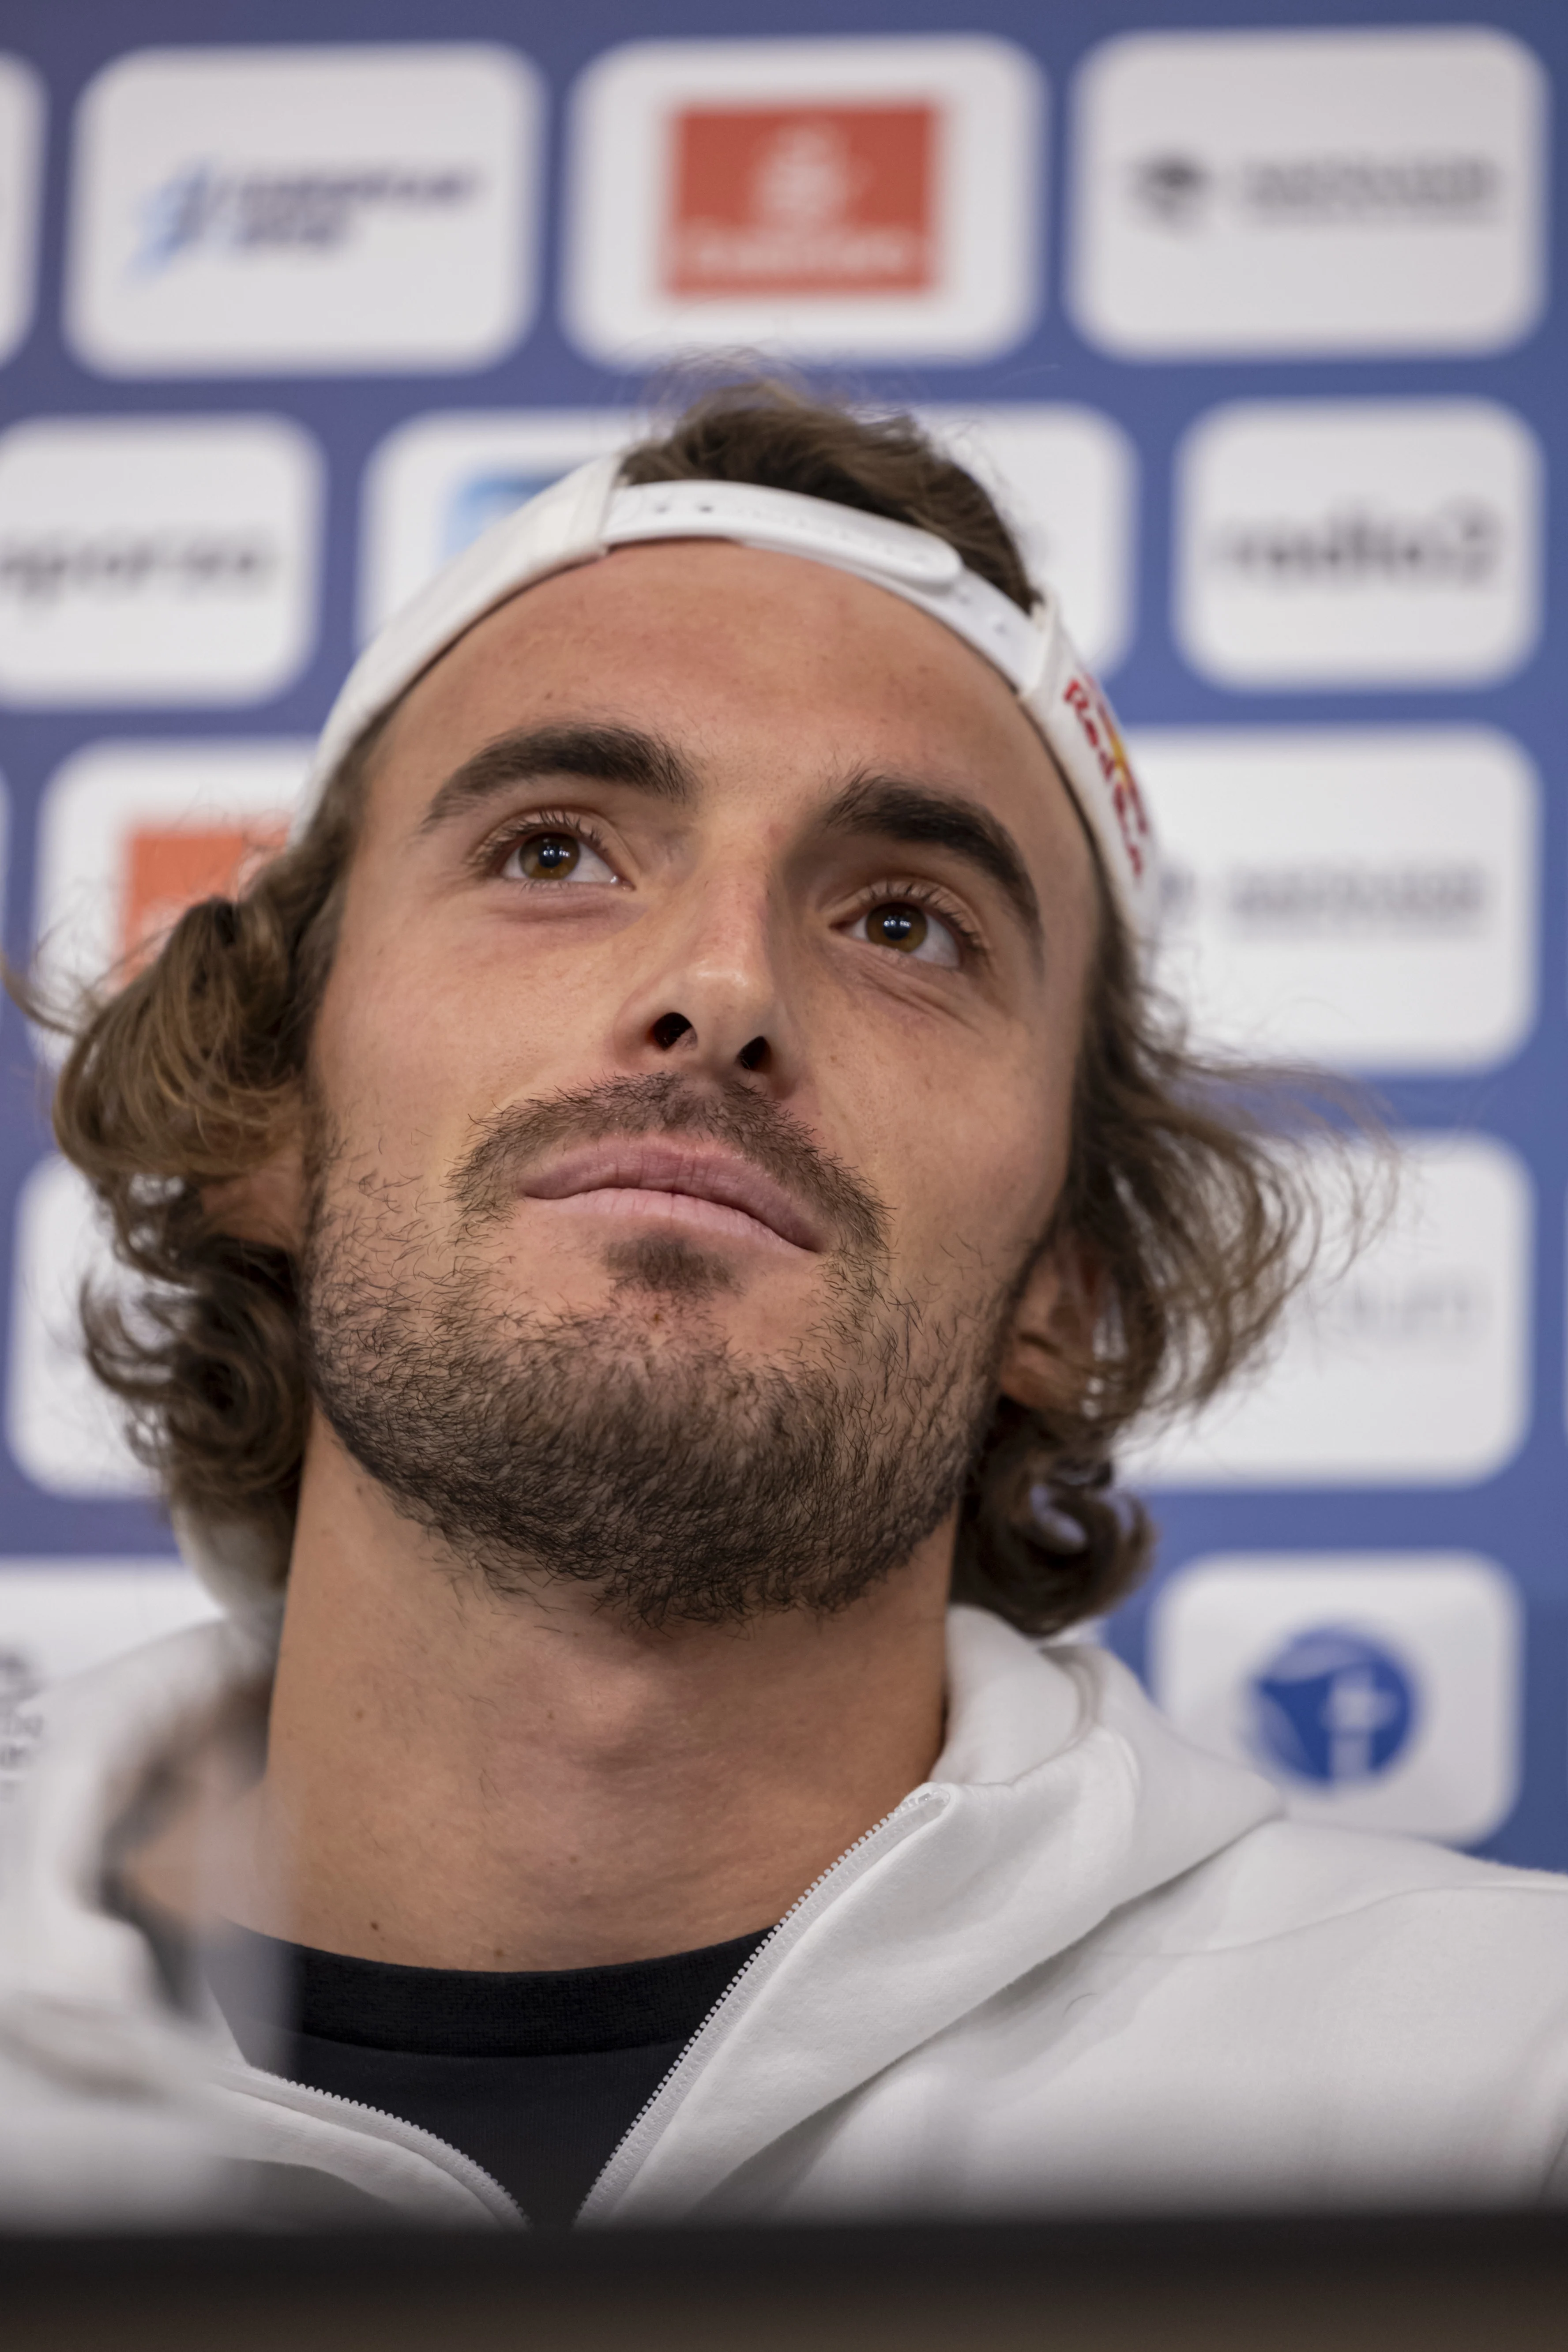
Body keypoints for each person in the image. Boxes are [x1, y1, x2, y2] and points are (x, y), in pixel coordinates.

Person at [4, 382, 1567, 2230]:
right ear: (267, 1107)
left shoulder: (1498, 2105)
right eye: (554, 850)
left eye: (906, 925)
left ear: (1063, 1285)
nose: (722, 984)